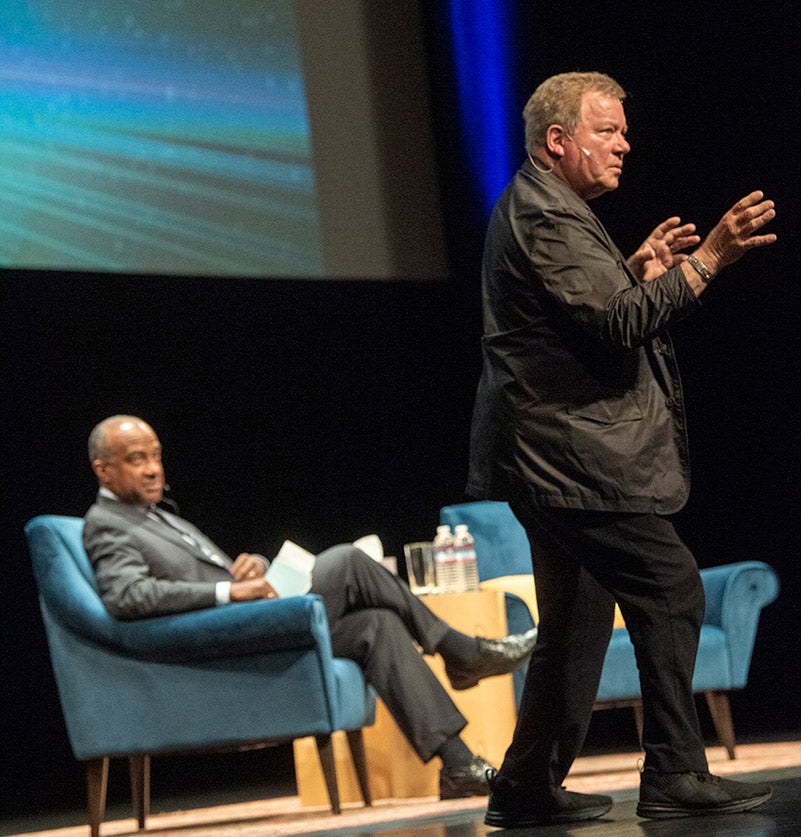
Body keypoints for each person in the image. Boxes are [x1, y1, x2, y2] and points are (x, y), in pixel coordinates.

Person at [466, 72, 777, 827]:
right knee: (671, 586)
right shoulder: (545, 213)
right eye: (607, 130)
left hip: (551, 454)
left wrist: (635, 274)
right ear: (557, 141)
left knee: (573, 625)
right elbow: (615, 328)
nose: (624, 144)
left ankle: (524, 787)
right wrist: (710, 260)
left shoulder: (553, 208)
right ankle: (671, 770)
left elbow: (591, 315)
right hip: (566, 457)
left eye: (622, 131)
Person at [83, 415, 537, 800]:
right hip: (219, 637)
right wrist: (226, 594)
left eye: (156, 455)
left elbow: (201, 576)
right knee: (347, 561)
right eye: (135, 459)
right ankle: (459, 650)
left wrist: (249, 571)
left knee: (376, 625)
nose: (152, 469)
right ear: (103, 471)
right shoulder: (105, 524)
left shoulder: (160, 514)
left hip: (244, 618)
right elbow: (126, 597)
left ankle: (457, 766)